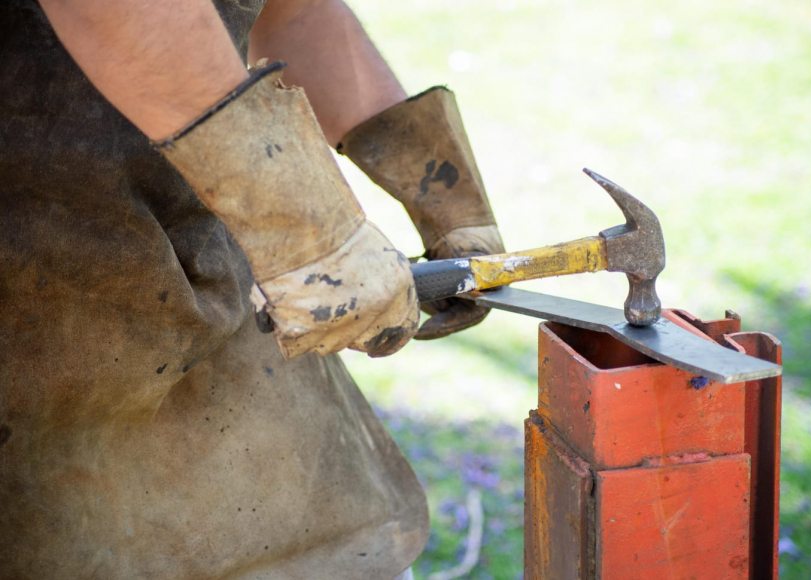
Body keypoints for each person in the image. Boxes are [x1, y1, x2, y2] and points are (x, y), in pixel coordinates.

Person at [0, 0, 504, 578]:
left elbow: (293, 13)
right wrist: (313, 232)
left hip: (209, 265)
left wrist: (446, 196)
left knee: (337, 546)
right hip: (37, 316)